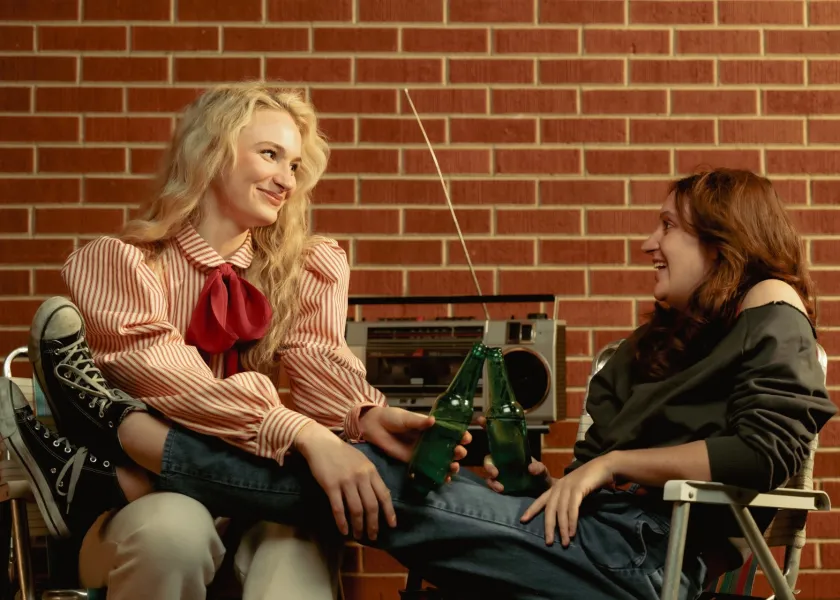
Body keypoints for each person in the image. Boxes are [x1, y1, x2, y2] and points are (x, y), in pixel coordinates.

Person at [2, 167, 836, 600]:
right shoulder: (650, 349)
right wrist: (540, 478)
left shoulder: (771, 306)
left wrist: (608, 468)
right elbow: (586, 473)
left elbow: (762, 452)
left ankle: (114, 444)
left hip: (646, 566)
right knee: (375, 477)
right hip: (587, 539)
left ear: (724, 236)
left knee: (357, 477)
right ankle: (116, 458)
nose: (648, 243)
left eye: (668, 226)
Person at [15, 82, 467, 600]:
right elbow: (171, 378)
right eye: (270, 155)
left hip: (259, 508)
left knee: (296, 544)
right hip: (138, 514)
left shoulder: (306, 270)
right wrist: (306, 435)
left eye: (294, 165)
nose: (286, 180)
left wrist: (363, 416)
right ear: (210, 152)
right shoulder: (124, 264)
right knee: (174, 532)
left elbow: (320, 362)